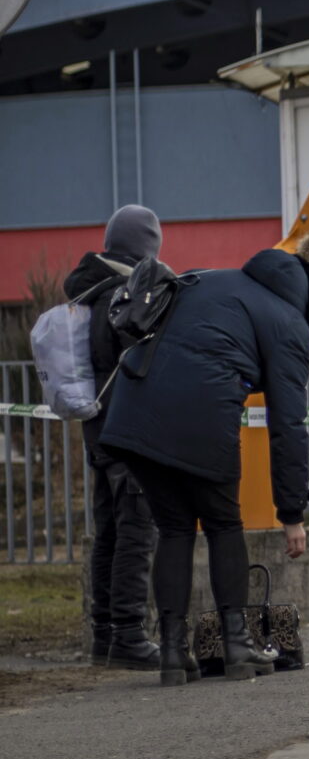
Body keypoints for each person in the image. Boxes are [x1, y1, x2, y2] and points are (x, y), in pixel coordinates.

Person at [99, 232, 309, 685]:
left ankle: (171, 651)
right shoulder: (289, 323)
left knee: (173, 527)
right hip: (198, 411)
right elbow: (287, 425)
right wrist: (292, 513)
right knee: (224, 522)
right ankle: (236, 642)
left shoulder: (215, 280)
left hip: (132, 409)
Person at [61, 205, 164, 671]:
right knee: (137, 531)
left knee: (109, 532)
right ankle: (128, 634)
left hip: (98, 431)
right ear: (146, 247)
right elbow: (142, 363)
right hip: (130, 433)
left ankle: (104, 635)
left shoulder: (89, 290)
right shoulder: (127, 294)